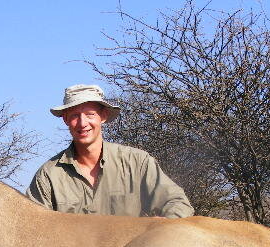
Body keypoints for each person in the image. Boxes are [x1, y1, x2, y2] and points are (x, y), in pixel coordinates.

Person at [26, 84, 194, 218]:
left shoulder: (137, 162)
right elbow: (32, 224)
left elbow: (178, 203)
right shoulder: (48, 174)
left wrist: (162, 228)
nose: (83, 123)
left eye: (90, 114)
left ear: (103, 116)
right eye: (75, 116)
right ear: (66, 120)